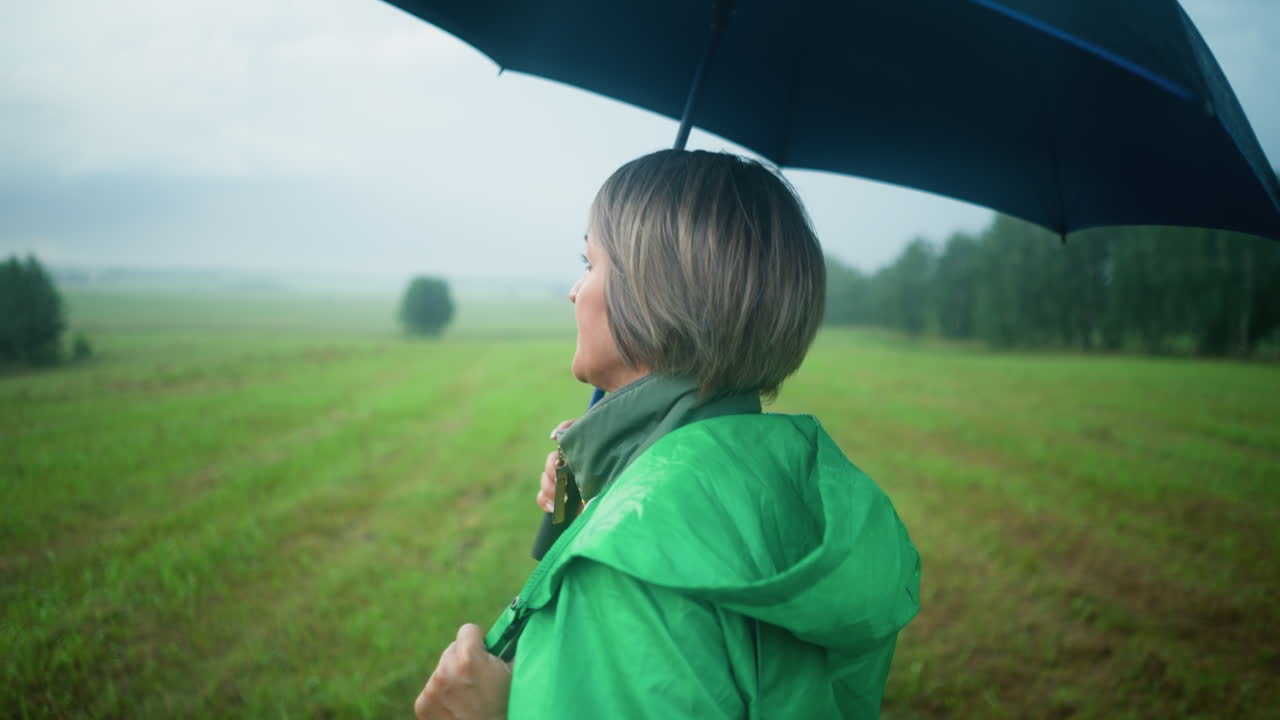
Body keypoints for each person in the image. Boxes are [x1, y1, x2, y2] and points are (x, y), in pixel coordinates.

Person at [414, 149, 920, 720]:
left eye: (590, 263)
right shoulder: (777, 467)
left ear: (653, 296)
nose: (574, 291)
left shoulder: (626, 563)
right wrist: (599, 504)